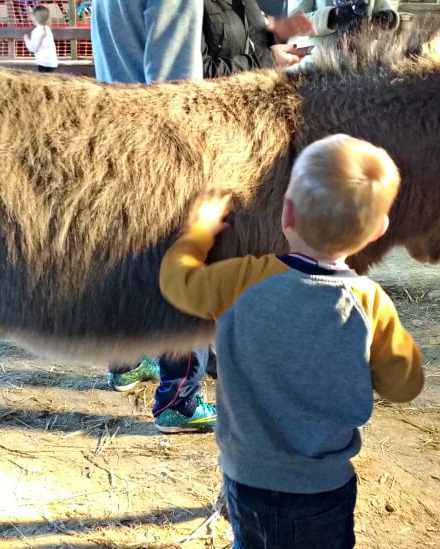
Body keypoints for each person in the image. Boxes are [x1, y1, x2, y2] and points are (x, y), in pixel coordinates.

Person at [159, 134, 424, 549]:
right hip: (324, 489)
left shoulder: (242, 280)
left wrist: (198, 231)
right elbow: (405, 386)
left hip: (247, 480)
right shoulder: (369, 302)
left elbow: (177, 282)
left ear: (286, 215)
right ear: (378, 230)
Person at [94, 0, 311, 434]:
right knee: (191, 261)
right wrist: (267, 58)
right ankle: (179, 398)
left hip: (121, 133)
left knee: (133, 257)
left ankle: (124, 362)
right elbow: (178, 89)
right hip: (170, 150)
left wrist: (268, 35)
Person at [287, 0, 400, 58]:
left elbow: (385, 9)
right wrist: (333, 17)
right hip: (320, 66)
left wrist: (387, 18)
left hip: (363, 64)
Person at [24, 5, 59, 72]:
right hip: (52, 62)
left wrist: (26, 40)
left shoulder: (37, 31)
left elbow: (33, 49)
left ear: (34, 18)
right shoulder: (47, 29)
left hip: (44, 63)